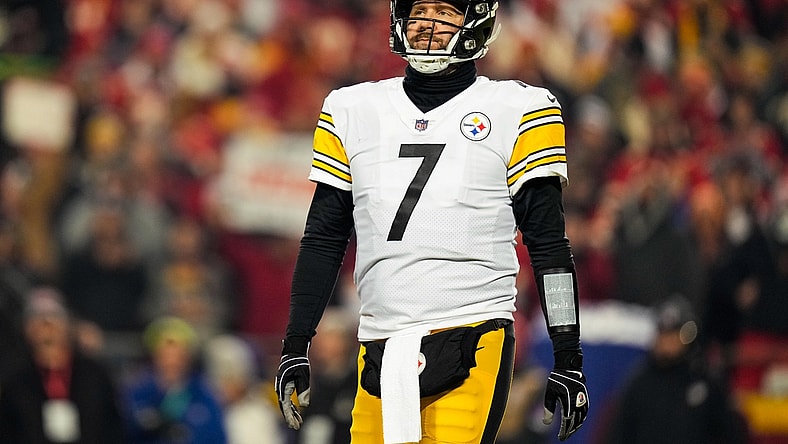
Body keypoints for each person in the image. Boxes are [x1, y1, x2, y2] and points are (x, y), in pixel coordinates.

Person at [274, 1, 590, 443]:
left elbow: (549, 245)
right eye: (420, 11)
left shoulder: (520, 108)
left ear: (478, 21)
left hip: (472, 332)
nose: (428, 24)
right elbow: (324, 239)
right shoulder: (351, 108)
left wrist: (568, 355)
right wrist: (296, 343)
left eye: (444, 11)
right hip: (378, 341)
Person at [603, 295, 748, 444]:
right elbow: (618, 434)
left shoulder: (706, 382)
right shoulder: (640, 384)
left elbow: (729, 433)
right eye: (663, 334)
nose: (668, 342)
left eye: (674, 334)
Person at [0, 286, 126, 444]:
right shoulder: (15, 380)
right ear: (27, 329)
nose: (47, 330)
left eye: (53, 320)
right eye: (39, 322)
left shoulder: (95, 375)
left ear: (67, 325)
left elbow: (113, 428)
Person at [123, 316, 227, 444]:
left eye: (178, 356)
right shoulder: (137, 394)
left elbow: (217, 436)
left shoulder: (204, 396)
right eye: (165, 355)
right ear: (154, 356)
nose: (171, 362)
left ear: (188, 357)